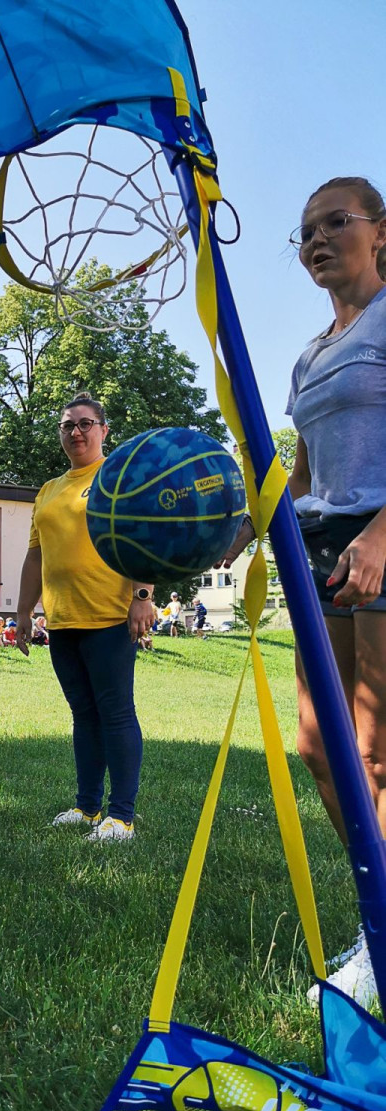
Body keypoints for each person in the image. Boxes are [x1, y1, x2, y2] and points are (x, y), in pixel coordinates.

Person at [223, 177, 386, 1009]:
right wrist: (249, 528)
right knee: (321, 748)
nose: (318, 239)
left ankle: (384, 931)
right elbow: (309, 468)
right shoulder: (311, 353)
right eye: (305, 233)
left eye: (337, 223)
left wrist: (382, 535)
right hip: (324, 544)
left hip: (384, 538)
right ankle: (381, 903)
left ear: (381, 233)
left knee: (377, 749)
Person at [15, 392, 154, 841]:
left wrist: (143, 595)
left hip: (110, 616)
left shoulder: (118, 477)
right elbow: (35, 557)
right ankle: (88, 807)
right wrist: (22, 613)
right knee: (83, 714)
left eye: (85, 424)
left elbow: (145, 537)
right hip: (63, 620)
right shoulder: (48, 490)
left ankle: (122, 817)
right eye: (68, 425)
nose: (76, 432)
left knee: (115, 714)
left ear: (103, 429)